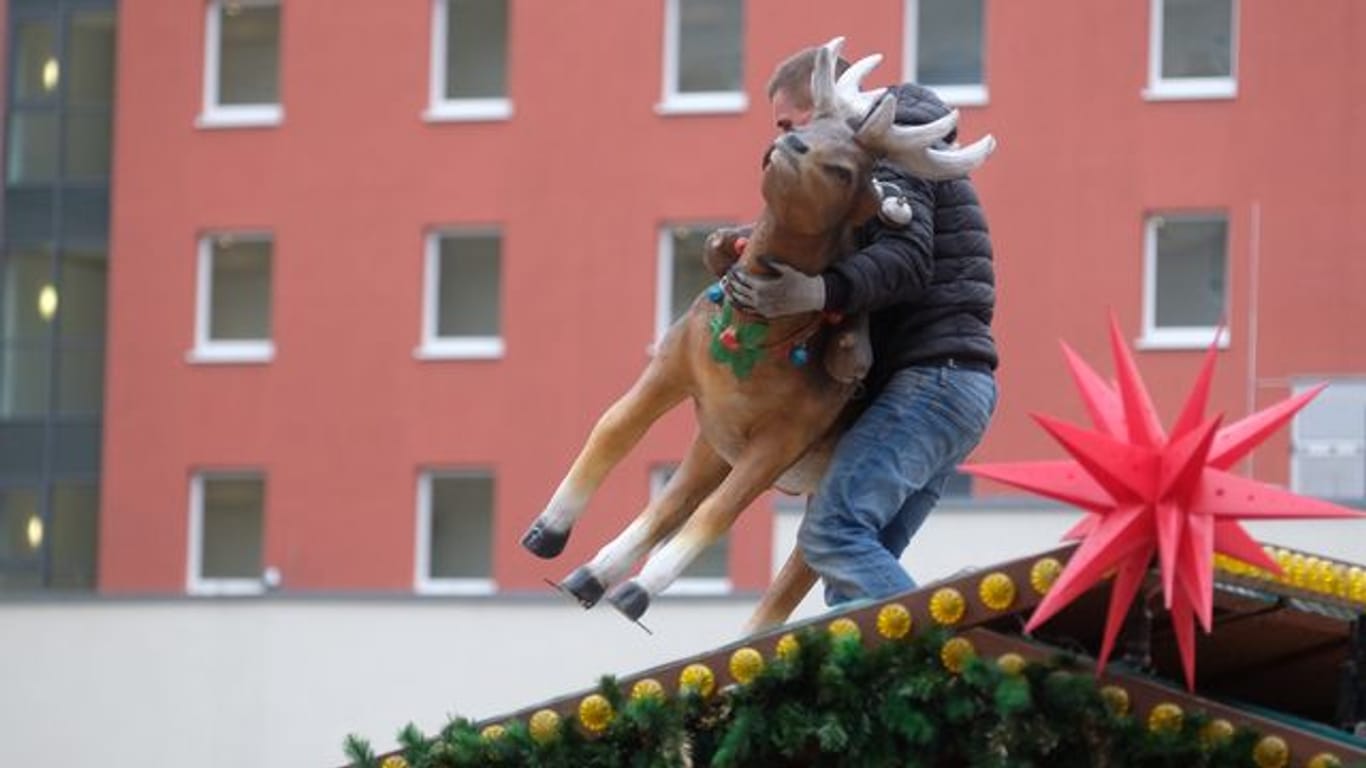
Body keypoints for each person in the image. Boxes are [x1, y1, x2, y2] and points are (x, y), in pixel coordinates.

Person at [726, 46, 999, 605]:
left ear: (822, 104)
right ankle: (904, 681)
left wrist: (814, 291)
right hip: (950, 387)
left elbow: (906, 259)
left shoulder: (886, 148)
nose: (781, 142)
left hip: (933, 382)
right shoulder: (885, 155)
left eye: (788, 124)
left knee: (833, 535)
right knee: (852, 576)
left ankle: (948, 652)